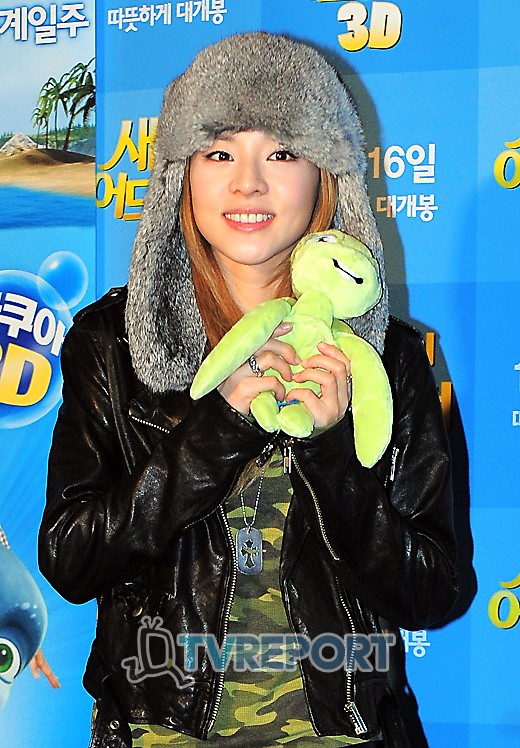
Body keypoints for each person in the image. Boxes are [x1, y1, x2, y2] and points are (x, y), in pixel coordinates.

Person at [38, 32, 459, 748]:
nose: (248, 184)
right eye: (219, 153)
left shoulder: (388, 359)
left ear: (326, 176)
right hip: (161, 730)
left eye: (283, 153)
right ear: (180, 175)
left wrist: (332, 454)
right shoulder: (112, 343)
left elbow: (431, 591)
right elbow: (72, 559)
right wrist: (219, 430)